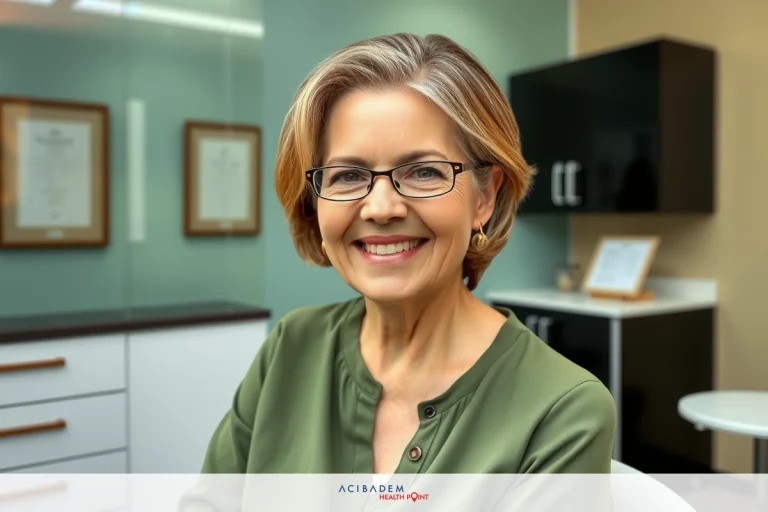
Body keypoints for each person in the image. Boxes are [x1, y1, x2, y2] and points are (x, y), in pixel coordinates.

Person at [200, 33, 616, 475]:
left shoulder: (563, 411)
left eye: (423, 172)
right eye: (348, 175)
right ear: (315, 203)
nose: (381, 209)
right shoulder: (290, 348)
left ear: (484, 198)